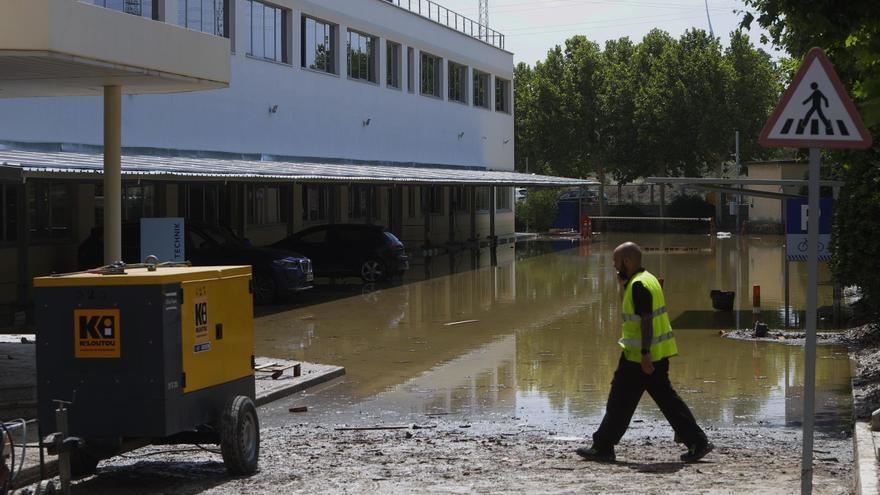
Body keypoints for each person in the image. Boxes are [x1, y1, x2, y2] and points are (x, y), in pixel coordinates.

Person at [576, 242, 713, 463]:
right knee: (657, 399)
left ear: (627, 261)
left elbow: (646, 321)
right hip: (649, 354)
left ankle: (603, 446)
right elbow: (637, 312)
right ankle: (697, 441)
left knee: (621, 400)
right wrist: (622, 285)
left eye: (616, 261)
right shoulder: (646, 279)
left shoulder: (639, 285)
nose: (613, 265)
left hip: (640, 357)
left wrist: (645, 354)